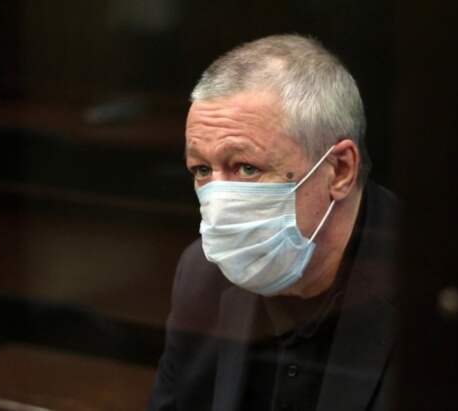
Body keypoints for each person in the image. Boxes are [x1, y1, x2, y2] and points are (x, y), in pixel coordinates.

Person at [148, 34, 398, 411]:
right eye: (201, 169)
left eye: (247, 168)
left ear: (340, 170)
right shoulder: (203, 274)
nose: (220, 201)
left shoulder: (435, 288)